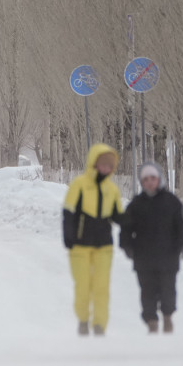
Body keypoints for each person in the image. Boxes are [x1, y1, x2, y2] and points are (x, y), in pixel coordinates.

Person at [120, 162, 183, 335]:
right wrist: (128, 247)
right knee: (147, 292)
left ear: (159, 179)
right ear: (142, 182)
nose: (149, 182)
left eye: (153, 178)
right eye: (145, 179)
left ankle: (167, 317)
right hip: (144, 259)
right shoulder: (136, 204)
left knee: (168, 290)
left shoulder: (172, 202)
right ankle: (151, 322)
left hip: (168, 258)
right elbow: (125, 229)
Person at [62, 143, 125, 337]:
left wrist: (135, 221)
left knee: (101, 287)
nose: (106, 169)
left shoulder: (112, 189)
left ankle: (99, 325)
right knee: (83, 286)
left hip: (103, 246)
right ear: (94, 163)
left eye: (110, 165)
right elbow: (69, 213)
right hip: (80, 246)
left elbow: (117, 216)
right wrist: (68, 237)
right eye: (103, 164)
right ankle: (83, 320)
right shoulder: (79, 184)